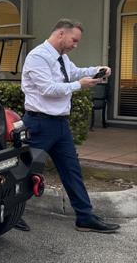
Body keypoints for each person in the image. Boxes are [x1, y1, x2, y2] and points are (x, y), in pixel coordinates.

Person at [17, 18, 119, 233]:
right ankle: (10, 213)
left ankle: (85, 217)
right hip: (38, 123)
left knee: (72, 171)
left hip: (59, 125)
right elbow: (48, 89)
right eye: (74, 40)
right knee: (22, 171)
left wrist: (95, 70)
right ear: (60, 34)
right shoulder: (38, 56)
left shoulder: (61, 58)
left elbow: (73, 73)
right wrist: (78, 86)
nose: (75, 44)